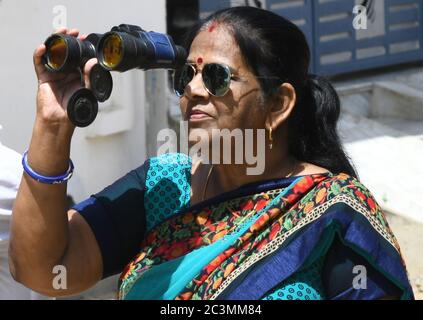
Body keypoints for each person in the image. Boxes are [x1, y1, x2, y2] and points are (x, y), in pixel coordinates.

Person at [10, 7, 414, 300]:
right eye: (187, 74)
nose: (194, 90)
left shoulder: (333, 212)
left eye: (217, 76)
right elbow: (44, 270)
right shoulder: (163, 185)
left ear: (278, 105)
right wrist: (53, 124)